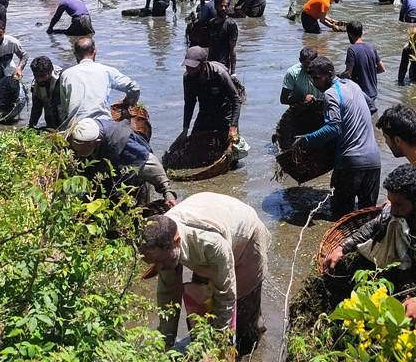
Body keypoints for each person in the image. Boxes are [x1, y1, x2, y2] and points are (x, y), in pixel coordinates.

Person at [322, 164, 416, 321]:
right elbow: (372, 227)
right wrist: (342, 248)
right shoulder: (394, 213)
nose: (392, 210)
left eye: (398, 205)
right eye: (390, 202)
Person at [141, 193, 270, 353]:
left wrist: (219, 343)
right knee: (200, 307)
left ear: (176, 242)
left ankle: (252, 341)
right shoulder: (160, 236)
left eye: (162, 262)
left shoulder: (210, 243)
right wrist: (166, 342)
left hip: (247, 239)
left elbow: (226, 295)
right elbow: (168, 293)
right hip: (213, 226)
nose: (158, 268)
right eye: (154, 263)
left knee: (243, 318)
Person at [294, 56, 382, 218]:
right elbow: (371, 107)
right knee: (369, 217)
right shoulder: (353, 85)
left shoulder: (331, 94)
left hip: (350, 165)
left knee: (341, 217)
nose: (314, 83)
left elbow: (333, 128)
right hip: (374, 161)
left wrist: (305, 140)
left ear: (329, 75)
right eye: (312, 78)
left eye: (317, 78)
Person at [67, 117, 176, 203]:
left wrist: (167, 190)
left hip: (130, 179)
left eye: (81, 152)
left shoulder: (121, 141)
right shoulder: (81, 129)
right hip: (104, 179)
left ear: (97, 142)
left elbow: (149, 163)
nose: (78, 154)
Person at [58, 37, 140, 129]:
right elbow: (134, 87)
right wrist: (128, 102)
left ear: (75, 54)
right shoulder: (106, 71)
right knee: (137, 142)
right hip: (102, 125)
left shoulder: (66, 74)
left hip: (75, 126)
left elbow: (64, 110)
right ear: (95, 51)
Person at [182, 46, 243, 140]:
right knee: (193, 141)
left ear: (203, 64)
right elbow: (189, 103)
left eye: (193, 67)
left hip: (225, 114)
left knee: (232, 144)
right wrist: (185, 129)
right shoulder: (187, 78)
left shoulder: (220, 73)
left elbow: (236, 100)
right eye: (187, 67)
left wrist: (233, 126)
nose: (189, 70)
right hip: (205, 113)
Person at [342, 21, 384, 113]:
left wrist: (337, 76)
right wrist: (369, 71)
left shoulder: (352, 50)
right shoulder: (371, 47)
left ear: (349, 34)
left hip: (360, 94)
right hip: (373, 93)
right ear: (361, 32)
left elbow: (348, 74)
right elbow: (382, 68)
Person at [28, 56, 64, 129]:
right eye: (36, 76)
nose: (39, 79)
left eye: (42, 76)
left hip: (64, 121)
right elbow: (36, 109)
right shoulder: (36, 85)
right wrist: (31, 127)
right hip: (50, 121)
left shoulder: (62, 79)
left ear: (50, 71)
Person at [205, 0, 239, 73]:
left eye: (226, 6)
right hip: (210, 64)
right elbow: (209, 45)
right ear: (215, 7)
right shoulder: (211, 23)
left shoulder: (231, 24)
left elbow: (232, 50)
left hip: (223, 65)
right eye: (221, 6)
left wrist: (233, 72)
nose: (223, 8)